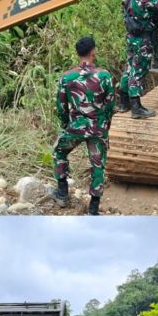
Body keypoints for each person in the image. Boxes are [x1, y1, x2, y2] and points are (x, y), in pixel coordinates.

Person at [51, 35, 116, 215]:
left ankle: (62, 192)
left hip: (76, 127)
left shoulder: (67, 77)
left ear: (77, 53)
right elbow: (110, 105)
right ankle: (93, 208)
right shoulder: (104, 75)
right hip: (98, 128)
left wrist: (66, 125)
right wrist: (105, 125)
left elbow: (61, 106)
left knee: (59, 151)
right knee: (97, 165)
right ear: (93, 52)